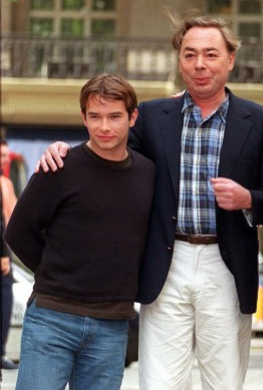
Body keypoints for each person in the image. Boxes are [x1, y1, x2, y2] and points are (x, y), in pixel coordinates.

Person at [36, 13, 263, 390]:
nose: (200, 64)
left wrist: (248, 198)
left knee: (225, 380)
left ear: (230, 59)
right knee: (160, 381)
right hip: (166, 261)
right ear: (179, 59)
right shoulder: (152, 117)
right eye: (190, 54)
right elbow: (109, 158)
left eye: (211, 54)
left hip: (227, 263)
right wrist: (64, 151)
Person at [4, 74, 155, 389]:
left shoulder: (147, 173)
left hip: (113, 324)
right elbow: (18, 230)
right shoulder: (60, 166)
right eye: (95, 117)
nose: (104, 126)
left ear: (132, 117)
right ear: (84, 118)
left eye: (114, 116)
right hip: (52, 317)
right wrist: (53, 272)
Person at [1, 140, 19, 371]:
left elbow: (13, 216)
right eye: (1, 155)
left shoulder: (6, 183)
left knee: (6, 303)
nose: (5, 159)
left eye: (6, 155)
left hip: (6, 252)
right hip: (2, 254)